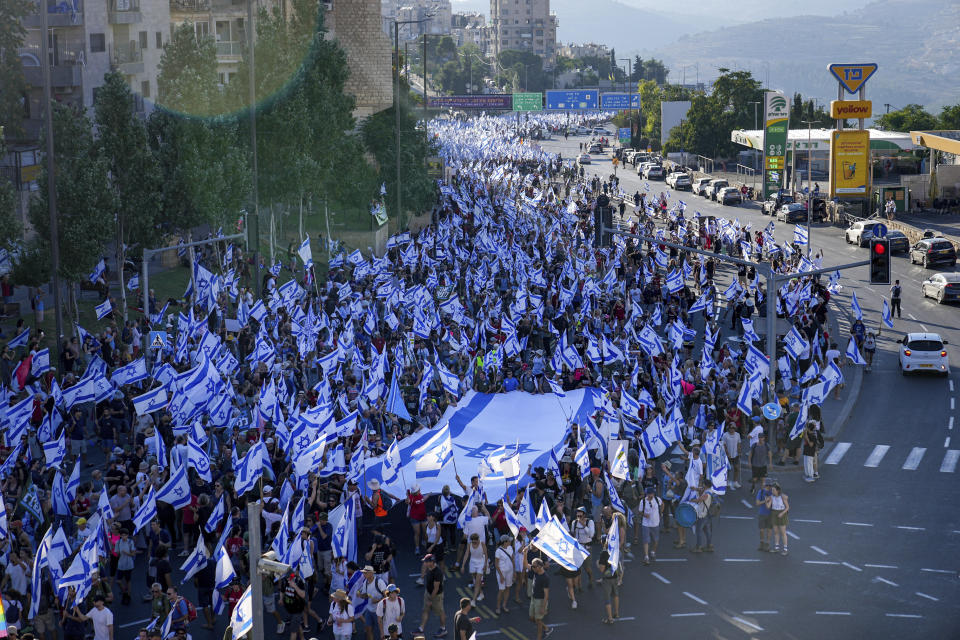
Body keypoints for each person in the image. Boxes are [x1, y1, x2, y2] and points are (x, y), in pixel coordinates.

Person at [414, 554, 446, 637]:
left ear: (432, 562)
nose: (424, 563)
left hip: (436, 596)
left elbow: (436, 588)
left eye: (426, 562)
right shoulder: (429, 567)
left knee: (440, 612)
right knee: (425, 610)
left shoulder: (437, 572)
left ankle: (443, 629)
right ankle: (421, 629)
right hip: (428, 592)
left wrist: (430, 600)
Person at [527, 558, 551, 639]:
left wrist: (543, 608)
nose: (532, 568)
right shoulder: (535, 571)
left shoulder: (545, 578)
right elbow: (525, 565)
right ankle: (547, 628)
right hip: (533, 599)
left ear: (540, 567)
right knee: (532, 618)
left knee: (538, 620)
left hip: (540, 601)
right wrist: (525, 554)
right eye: (532, 566)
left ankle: (539, 638)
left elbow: (546, 595)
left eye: (534, 566)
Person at [766, 483, 791, 555]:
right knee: (776, 532)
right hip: (774, 513)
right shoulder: (771, 497)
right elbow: (768, 507)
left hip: (781, 513)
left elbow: (787, 507)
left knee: (783, 532)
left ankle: (785, 549)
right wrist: (766, 500)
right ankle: (776, 548)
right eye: (772, 490)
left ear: (778, 490)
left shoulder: (783, 497)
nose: (772, 491)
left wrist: (782, 513)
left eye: (773, 490)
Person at [639, 487, 662, 564]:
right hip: (646, 524)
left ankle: (653, 551)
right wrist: (644, 515)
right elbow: (640, 512)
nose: (651, 495)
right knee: (646, 540)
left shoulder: (657, 500)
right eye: (649, 494)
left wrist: (660, 512)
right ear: (647, 494)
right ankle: (646, 556)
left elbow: (663, 505)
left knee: (656, 540)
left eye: (652, 493)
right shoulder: (643, 501)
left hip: (655, 524)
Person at [464, 532, 487, 605]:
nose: (474, 542)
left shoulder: (482, 544)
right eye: (472, 541)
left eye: (475, 541)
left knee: (477, 582)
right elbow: (467, 554)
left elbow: (486, 555)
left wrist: (485, 565)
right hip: (472, 563)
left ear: (478, 540)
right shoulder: (469, 544)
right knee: (476, 580)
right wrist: (463, 565)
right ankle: (481, 594)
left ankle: (473, 600)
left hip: (481, 563)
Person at [493, 534, 514, 614]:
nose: (510, 542)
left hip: (510, 572)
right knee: (501, 590)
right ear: (505, 542)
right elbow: (496, 564)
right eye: (509, 541)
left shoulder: (510, 548)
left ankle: (504, 605)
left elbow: (512, 559)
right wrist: (501, 576)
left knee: (508, 588)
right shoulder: (498, 551)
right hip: (501, 573)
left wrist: (514, 571)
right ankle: (498, 607)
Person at [755, 478, 774, 552]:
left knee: (769, 530)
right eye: (768, 485)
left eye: (769, 486)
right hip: (762, 513)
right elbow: (757, 503)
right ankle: (762, 543)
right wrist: (765, 501)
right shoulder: (761, 492)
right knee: (762, 530)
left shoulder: (772, 492)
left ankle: (767, 544)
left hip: (770, 514)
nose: (769, 487)